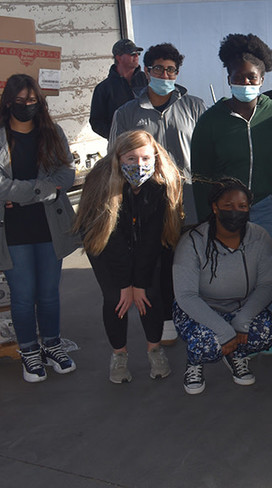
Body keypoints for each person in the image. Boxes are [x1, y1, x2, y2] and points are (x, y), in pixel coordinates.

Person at [0, 74, 79, 383]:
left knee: (48, 293)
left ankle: (53, 344)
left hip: (48, 225)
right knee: (22, 294)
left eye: (33, 101)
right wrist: (41, 190)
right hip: (11, 228)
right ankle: (29, 351)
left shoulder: (52, 132)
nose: (27, 106)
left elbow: (66, 174)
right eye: (21, 102)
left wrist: (21, 193)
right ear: (8, 103)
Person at [191, 33, 272, 345]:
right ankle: (237, 329)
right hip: (227, 211)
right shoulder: (211, 121)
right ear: (228, 77)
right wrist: (205, 218)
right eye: (239, 76)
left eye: (252, 77)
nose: (245, 82)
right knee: (233, 269)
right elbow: (201, 176)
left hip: (271, 204)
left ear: (262, 78)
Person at [110, 42, 207, 346]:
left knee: (191, 263)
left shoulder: (195, 106)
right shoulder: (127, 113)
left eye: (171, 70)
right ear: (147, 71)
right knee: (157, 264)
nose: (164, 74)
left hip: (188, 201)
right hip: (148, 204)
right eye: (158, 69)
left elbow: (206, 153)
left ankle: (193, 316)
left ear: (177, 73)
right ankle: (165, 320)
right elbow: (114, 158)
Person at [74, 130, 184, 384]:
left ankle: (154, 350)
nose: (140, 164)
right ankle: (119, 355)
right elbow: (113, 240)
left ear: (155, 156)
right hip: (104, 243)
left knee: (150, 295)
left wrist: (140, 284)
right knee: (116, 300)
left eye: (146, 158)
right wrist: (126, 285)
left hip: (149, 243)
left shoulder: (163, 182)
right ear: (118, 158)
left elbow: (152, 238)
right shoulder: (101, 182)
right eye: (131, 158)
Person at [173, 178, 272, 394]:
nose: (236, 211)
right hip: (199, 311)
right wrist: (223, 330)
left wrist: (243, 319)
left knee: (268, 332)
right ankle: (194, 363)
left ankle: (236, 354)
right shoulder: (193, 241)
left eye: (242, 206)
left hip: (239, 308)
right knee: (206, 343)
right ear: (215, 208)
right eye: (228, 206)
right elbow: (185, 295)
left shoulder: (260, 237)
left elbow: (268, 284)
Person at [90, 39, 148, 139]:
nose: (136, 56)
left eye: (138, 53)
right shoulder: (103, 88)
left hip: (148, 141)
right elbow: (96, 122)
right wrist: (117, 135)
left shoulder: (147, 80)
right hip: (121, 146)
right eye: (132, 54)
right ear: (119, 58)